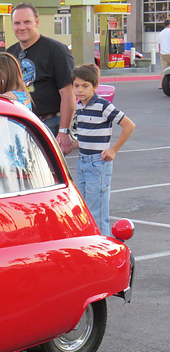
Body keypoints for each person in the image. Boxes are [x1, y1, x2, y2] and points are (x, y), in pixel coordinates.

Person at [70, 64, 135, 236]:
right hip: (82, 162)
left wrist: (114, 149)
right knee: (85, 210)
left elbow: (129, 125)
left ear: (95, 86)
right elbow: (86, 134)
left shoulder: (103, 106)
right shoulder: (80, 107)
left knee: (98, 212)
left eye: (85, 86)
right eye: (76, 86)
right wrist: (72, 144)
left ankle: (104, 249)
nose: (80, 90)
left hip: (97, 164)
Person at [7, 2, 75, 154]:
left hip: (49, 125)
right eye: (17, 23)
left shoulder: (56, 50)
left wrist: (64, 131)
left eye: (27, 22)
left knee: (47, 175)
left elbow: (68, 94)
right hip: (20, 125)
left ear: (37, 22)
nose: (21, 27)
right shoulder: (10, 54)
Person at [159, 19, 170, 89]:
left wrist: (160, 52)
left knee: (164, 70)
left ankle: (161, 85)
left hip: (163, 53)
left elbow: (159, 45)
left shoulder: (161, 33)